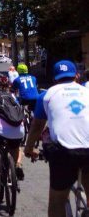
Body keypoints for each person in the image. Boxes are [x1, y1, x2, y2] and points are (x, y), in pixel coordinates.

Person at [25, 60, 89, 217]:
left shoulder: (46, 95)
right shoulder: (87, 91)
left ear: (54, 79)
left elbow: (37, 127)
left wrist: (29, 148)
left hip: (64, 152)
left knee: (56, 202)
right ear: (77, 76)